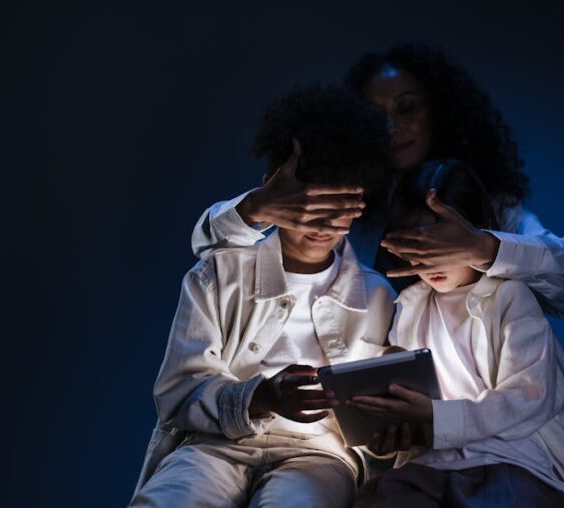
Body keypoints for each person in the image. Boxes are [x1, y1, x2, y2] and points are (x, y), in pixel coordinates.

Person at [130, 84, 396, 508]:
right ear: (277, 193)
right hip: (214, 443)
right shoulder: (220, 274)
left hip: (318, 453)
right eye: (311, 202)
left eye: (342, 203)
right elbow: (178, 391)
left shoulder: (377, 296)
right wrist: (261, 397)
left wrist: (384, 427)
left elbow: (377, 423)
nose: (324, 221)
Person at [189, 40, 564, 318]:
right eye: (375, 114)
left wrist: (481, 246)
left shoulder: (485, 203)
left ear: (438, 112)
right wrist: (253, 207)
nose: (391, 126)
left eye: (407, 107)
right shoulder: (341, 206)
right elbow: (209, 253)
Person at [348, 160, 564, 507]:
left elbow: (526, 399)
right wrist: (391, 433)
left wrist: (438, 416)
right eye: (418, 248)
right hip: (430, 463)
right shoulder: (410, 307)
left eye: (441, 247)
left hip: (508, 459)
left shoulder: (509, 297)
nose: (431, 261)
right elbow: (410, 406)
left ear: (472, 233)